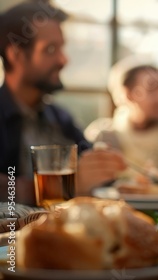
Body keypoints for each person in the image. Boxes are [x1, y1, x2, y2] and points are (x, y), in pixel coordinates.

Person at [0, 1, 126, 206]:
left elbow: (90, 167)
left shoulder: (60, 118)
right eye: (50, 49)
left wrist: (104, 166)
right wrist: (60, 186)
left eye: (62, 48)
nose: (64, 60)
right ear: (16, 55)